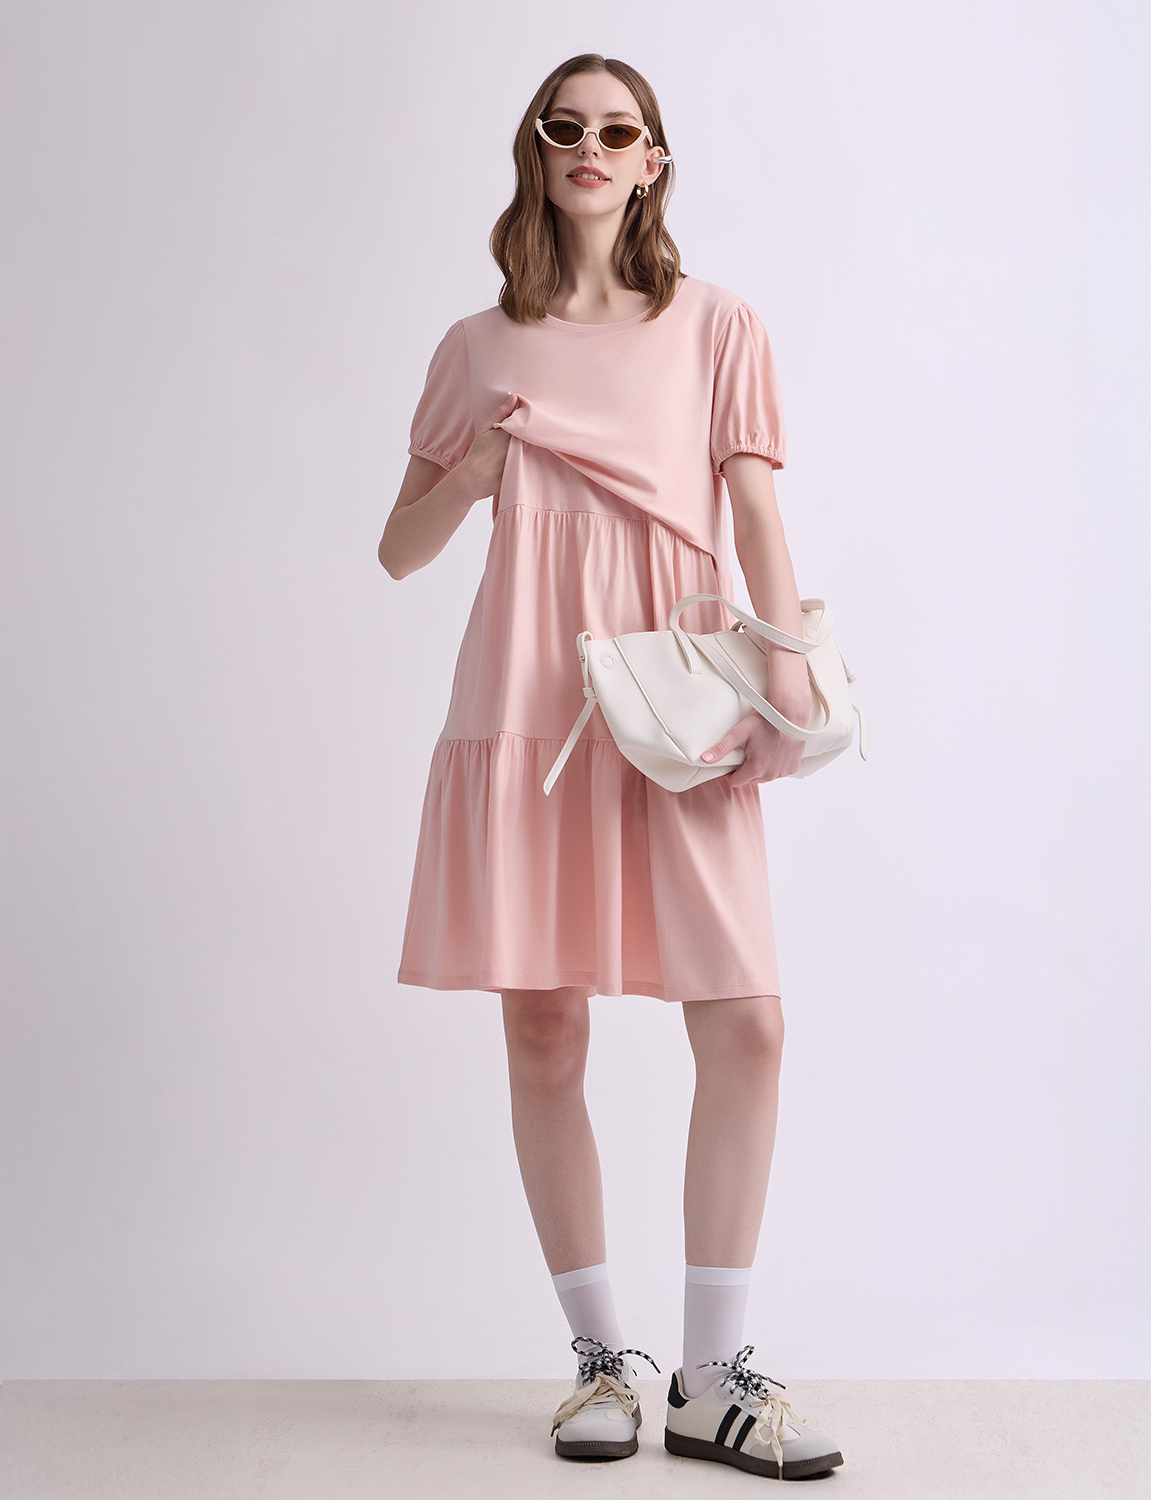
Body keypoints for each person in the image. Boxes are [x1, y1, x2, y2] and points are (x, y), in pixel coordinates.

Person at [378, 53, 843, 1480]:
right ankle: (600, 1364)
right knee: (543, 1029)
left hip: (671, 697)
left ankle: (714, 1376)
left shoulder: (718, 324)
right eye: (564, 126)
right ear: (538, 149)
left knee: (746, 1021)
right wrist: (471, 475)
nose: (590, 145)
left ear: (654, 161)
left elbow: (755, 513)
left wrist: (785, 657)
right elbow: (398, 550)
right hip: (529, 698)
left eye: (618, 129)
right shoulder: (477, 344)